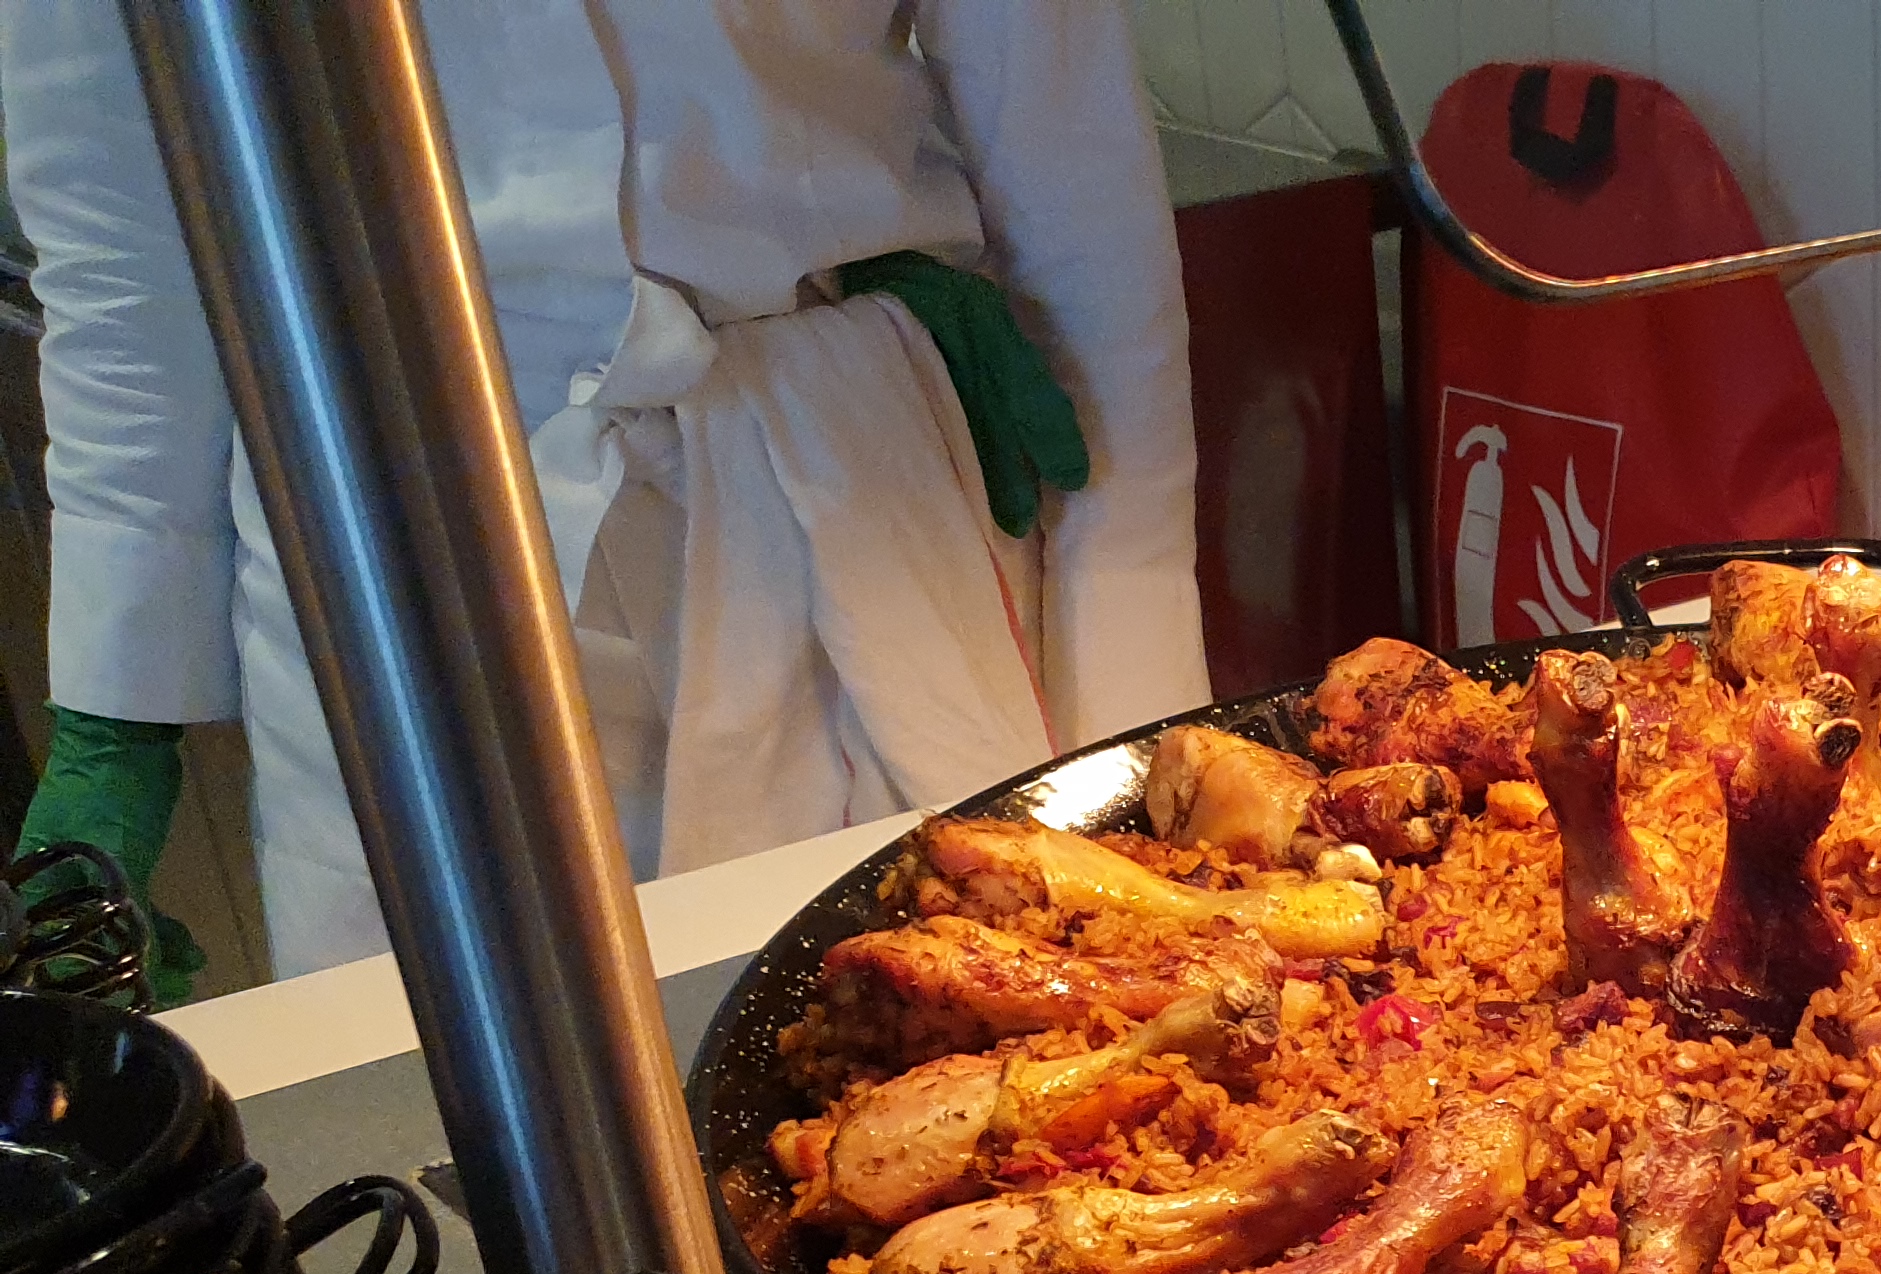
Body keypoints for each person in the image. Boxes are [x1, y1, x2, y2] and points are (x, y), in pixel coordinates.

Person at [1, 0, 1208, 992]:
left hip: (847, 493)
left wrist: (1140, 698)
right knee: (451, 1116)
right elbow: (124, 240)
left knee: (956, 1054)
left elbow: (1076, 171)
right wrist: (119, 710)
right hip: (387, 539)